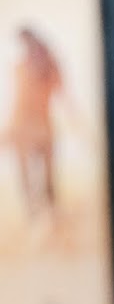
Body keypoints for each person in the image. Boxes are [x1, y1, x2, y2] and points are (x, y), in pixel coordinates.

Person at [6, 27, 64, 220]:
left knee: (39, 175)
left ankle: (44, 213)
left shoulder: (34, 66)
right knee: (37, 174)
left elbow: (58, 90)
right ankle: (40, 213)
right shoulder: (29, 65)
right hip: (32, 124)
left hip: (33, 125)